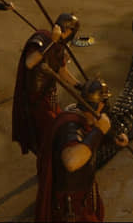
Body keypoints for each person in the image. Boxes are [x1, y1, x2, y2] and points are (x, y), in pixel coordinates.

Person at [35, 78, 129, 222]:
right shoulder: (69, 126)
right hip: (70, 208)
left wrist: (111, 139)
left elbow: (87, 140)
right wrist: (98, 131)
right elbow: (71, 161)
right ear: (100, 105)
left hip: (84, 195)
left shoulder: (86, 119)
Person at [12, 13, 85, 156]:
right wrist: (51, 42)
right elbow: (30, 63)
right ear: (68, 30)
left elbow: (62, 71)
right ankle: (47, 158)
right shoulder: (42, 39)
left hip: (49, 94)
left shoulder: (60, 45)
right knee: (48, 131)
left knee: (56, 126)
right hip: (35, 97)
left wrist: (79, 85)